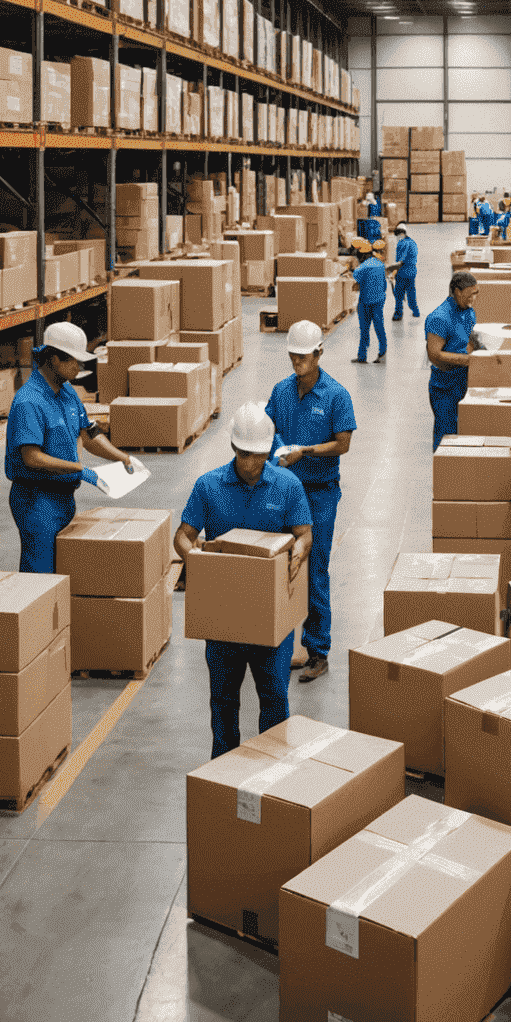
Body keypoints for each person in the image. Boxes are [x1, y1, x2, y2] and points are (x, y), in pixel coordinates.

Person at [175, 403, 313, 756]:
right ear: (234, 449)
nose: (254, 463)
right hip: (224, 619)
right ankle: (222, 765)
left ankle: (273, 768)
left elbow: (304, 533)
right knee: (222, 700)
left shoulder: (287, 485)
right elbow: (183, 535)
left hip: (270, 620)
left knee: (274, 697)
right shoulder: (209, 486)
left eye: (260, 455)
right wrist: (198, 562)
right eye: (247, 454)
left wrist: (299, 551)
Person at [4, 321, 134, 572]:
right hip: (36, 499)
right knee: (41, 574)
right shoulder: (29, 401)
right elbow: (32, 457)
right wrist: (78, 468)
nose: (79, 367)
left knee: (60, 569)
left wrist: (122, 457)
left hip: (63, 496)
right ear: (53, 358)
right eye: (73, 360)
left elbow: (89, 434)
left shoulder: (68, 393)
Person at [266, 322, 356, 683]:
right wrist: (277, 449)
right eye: (292, 356)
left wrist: (306, 452)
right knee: (282, 565)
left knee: (315, 567)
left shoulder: (336, 395)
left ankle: (318, 650)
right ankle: (285, 642)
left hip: (319, 493)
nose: (296, 362)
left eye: (303, 356)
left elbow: (343, 443)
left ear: (319, 353)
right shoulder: (281, 391)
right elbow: (269, 429)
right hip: (284, 491)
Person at [425, 271, 482, 448]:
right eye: (470, 293)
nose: (474, 298)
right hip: (445, 386)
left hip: (463, 380)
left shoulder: (468, 312)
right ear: (457, 291)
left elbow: (468, 338)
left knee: (462, 431)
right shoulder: (439, 318)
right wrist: (466, 360)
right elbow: (434, 355)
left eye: (476, 293)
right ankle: (442, 472)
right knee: (446, 435)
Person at [350, 238, 388, 364]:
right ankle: (382, 354)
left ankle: (362, 356)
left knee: (364, 330)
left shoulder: (362, 267)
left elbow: (355, 281)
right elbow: (384, 285)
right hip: (378, 302)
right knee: (379, 328)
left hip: (365, 302)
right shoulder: (380, 264)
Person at [390, 222, 420, 320]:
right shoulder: (412, 242)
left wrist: (391, 271)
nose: (397, 237)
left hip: (403, 272)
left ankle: (398, 314)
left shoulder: (403, 243)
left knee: (399, 294)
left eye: (398, 234)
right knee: (411, 293)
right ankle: (416, 311)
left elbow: (400, 262)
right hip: (411, 272)